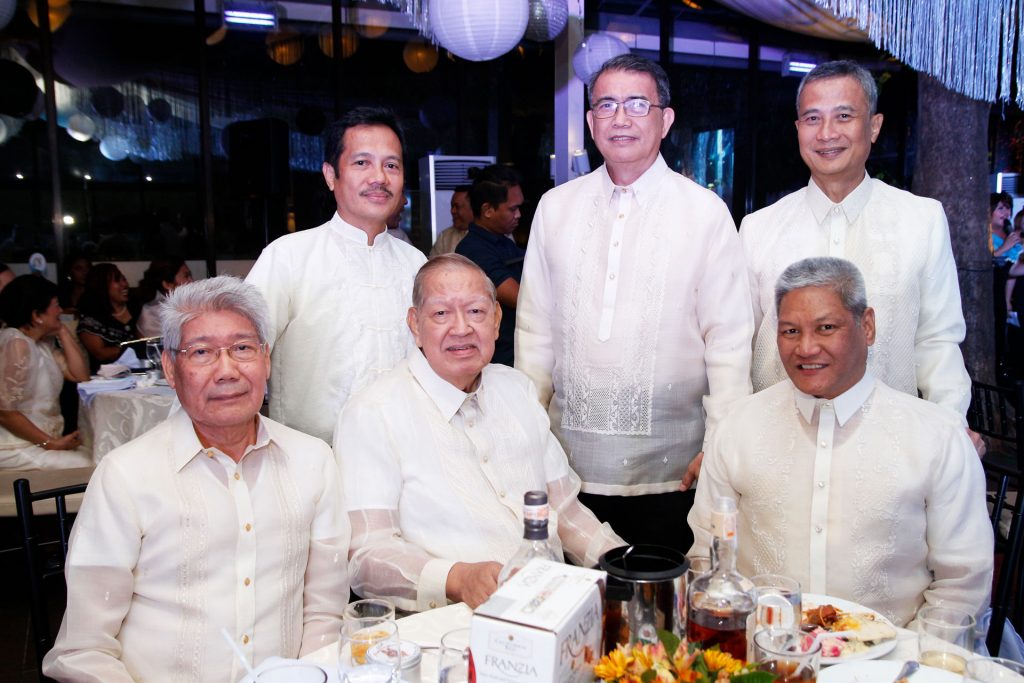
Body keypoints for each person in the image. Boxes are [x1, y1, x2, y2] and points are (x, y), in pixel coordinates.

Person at [43, 276, 349, 682]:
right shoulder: (126, 476)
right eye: (202, 352)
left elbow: (324, 613)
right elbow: (83, 650)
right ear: (171, 368)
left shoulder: (313, 460)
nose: (227, 371)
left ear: (266, 359)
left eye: (242, 348)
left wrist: (311, 675)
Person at [515, 54, 753, 553]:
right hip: (565, 470)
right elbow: (535, 334)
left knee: (664, 600)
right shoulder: (555, 208)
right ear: (590, 123)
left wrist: (720, 447)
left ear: (665, 120)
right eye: (606, 105)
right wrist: (526, 440)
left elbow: (729, 343)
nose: (620, 118)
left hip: (675, 474)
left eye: (638, 104)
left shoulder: (704, 212)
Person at [688, 257, 993, 628]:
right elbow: (706, 557)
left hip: (895, 657)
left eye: (826, 328)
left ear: (867, 326)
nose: (806, 348)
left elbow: (961, 585)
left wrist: (908, 655)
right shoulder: (738, 428)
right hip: (760, 649)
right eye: (790, 331)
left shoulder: (937, 437)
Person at [334, 255, 624, 612]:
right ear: (415, 324)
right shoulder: (372, 413)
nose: (461, 328)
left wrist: (626, 565)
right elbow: (366, 555)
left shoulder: (516, 389)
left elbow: (564, 511)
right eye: (441, 313)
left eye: (476, 311)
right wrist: (457, 579)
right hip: (449, 626)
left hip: (549, 607)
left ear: (497, 320)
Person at [739, 60, 978, 451]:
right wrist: (727, 437)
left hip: (889, 446)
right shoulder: (758, 228)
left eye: (844, 116)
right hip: (778, 445)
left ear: (874, 126)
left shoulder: (921, 220)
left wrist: (950, 433)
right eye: (812, 118)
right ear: (798, 129)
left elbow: (938, 341)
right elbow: (738, 347)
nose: (827, 133)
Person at [246, 106, 426, 443]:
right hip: (315, 456)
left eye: (391, 165)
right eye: (362, 163)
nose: (379, 177)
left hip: (405, 450)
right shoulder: (288, 257)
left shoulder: (415, 263)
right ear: (331, 175)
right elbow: (242, 353)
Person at [0, 275, 90, 470]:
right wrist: (49, 443)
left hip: (42, 442)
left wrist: (62, 331)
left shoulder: (41, 344)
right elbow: (4, 412)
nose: (60, 311)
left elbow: (81, 377)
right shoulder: (16, 343)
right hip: (14, 445)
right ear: (37, 315)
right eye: (56, 306)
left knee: (96, 454)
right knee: (88, 465)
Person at [456, 165, 526, 366]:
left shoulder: (504, 242)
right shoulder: (473, 250)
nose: (519, 214)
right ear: (487, 210)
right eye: (512, 209)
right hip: (500, 360)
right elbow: (519, 298)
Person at [77, 263, 139, 373]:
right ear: (102, 286)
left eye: (124, 279)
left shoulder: (137, 309)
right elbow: (100, 353)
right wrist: (137, 348)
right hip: (108, 377)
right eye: (117, 281)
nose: (124, 285)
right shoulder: (91, 320)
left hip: (142, 371)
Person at [135, 258, 194, 337]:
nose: (192, 281)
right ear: (167, 284)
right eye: (186, 276)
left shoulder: (190, 303)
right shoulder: (151, 312)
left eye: (190, 275)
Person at [430, 185, 473, 256]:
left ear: (473, 208)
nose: (452, 211)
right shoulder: (444, 237)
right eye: (452, 206)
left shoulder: (485, 236)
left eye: (457, 206)